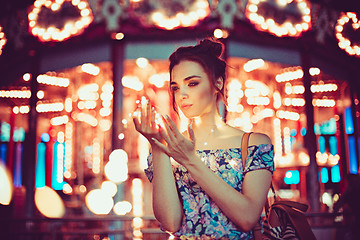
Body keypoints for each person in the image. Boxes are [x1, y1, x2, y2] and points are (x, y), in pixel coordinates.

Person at [133, 38, 274, 239]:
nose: (182, 94)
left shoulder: (255, 144)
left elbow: (247, 217)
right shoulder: (169, 146)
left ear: (218, 82)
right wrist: (157, 146)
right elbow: (171, 222)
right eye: (175, 87)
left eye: (192, 83)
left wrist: (190, 160)